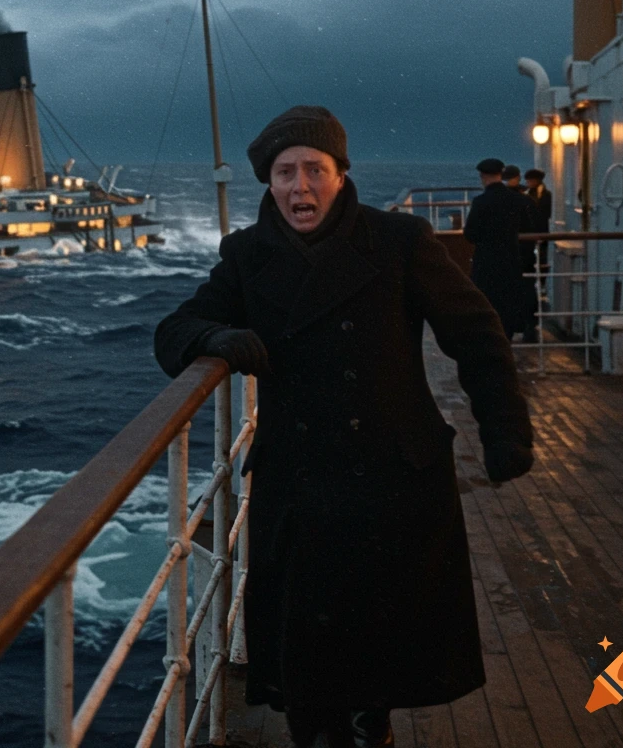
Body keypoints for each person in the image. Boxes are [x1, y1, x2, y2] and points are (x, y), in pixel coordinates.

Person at [154, 106, 534, 748]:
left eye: (314, 170)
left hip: (393, 478)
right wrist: (218, 336)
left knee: (378, 661)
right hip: (301, 488)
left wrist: (504, 434)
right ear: (268, 184)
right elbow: (173, 333)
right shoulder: (248, 256)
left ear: (340, 173)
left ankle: (373, 723)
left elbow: (476, 334)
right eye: (284, 173)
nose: (300, 187)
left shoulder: (400, 241)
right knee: (309, 672)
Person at [463, 158, 541, 340]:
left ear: (483, 176)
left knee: (486, 302)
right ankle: (507, 339)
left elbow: (470, 234)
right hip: (512, 261)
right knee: (509, 303)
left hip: (486, 262)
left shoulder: (480, 202)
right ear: (501, 175)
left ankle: (491, 341)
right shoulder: (517, 200)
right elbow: (528, 229)